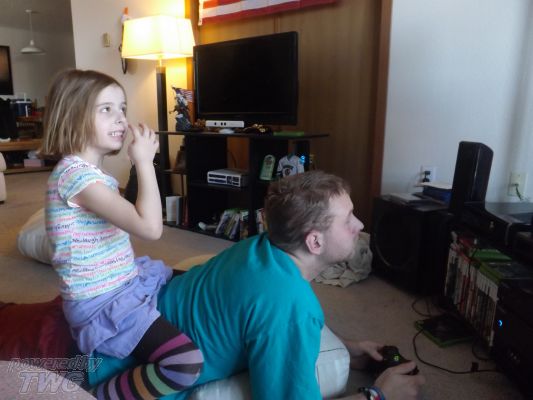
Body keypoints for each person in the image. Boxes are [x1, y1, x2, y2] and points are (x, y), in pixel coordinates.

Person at [90, 170, 425, 399]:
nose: (360, 224)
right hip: (108, 380)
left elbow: (258, 315)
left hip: (104, 339)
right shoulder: (292, 306)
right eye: (348, 218)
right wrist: (379, 394)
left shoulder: (256, 247)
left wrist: (346, 346)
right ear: (315, 242)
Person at [40, 69, 203, 399]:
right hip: (100, 302)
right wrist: (145, 163)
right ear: (72, 116)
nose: (121, 119)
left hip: (124, 279)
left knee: (197, 279)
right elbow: (150, 228)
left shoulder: (91, 173)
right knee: (184, 363)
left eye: (122, 108)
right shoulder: (75, 177)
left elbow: (133, 216)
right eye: (106, 109)